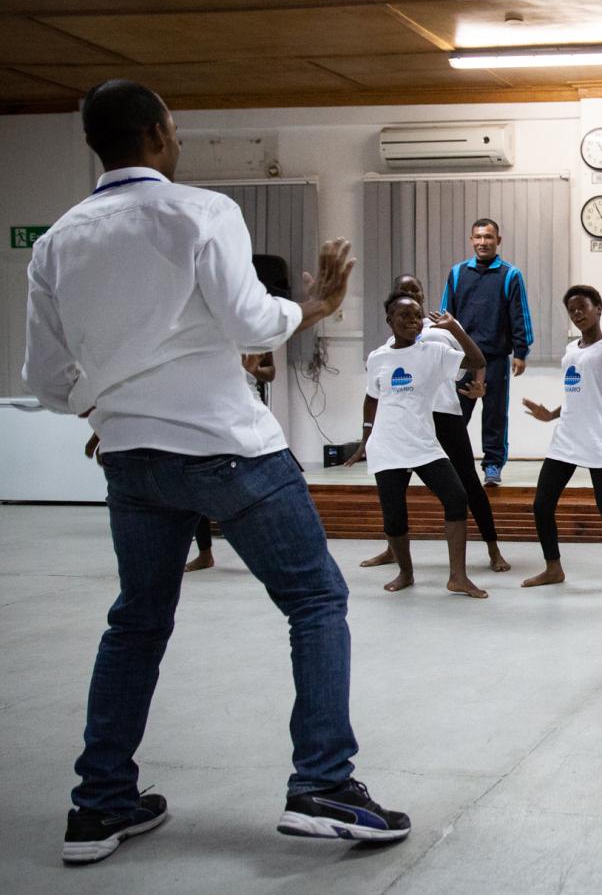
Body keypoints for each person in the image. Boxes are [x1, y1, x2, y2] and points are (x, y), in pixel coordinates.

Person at [24, 80, 407, 864]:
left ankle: (100, 803)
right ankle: (323, 785)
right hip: (227, 449)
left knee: (137, 621)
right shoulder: (201, 211)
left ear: (95, 143)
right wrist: (314, 308)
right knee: (315, 599)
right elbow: (250, 321)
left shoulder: (56, 241)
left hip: (131, 460)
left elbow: (47, 379)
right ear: (159, 132)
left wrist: (109, 410)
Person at [351, 274, 508, 575]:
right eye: (403, 290)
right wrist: (367, 432)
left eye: (415, 290)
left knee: (467, 482)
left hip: (445, 413)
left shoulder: (441, 328)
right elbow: (376, 392)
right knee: (394, 490)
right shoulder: (389, 344)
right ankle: (393, 549)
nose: (410, 294)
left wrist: (479, 385)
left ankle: (493, 548)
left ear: (423, 296)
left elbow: (476, 359)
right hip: (407, 423)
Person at [521, 286, 602, 592]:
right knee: (542, 505)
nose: (577, 313)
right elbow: (576, 395)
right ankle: (553, 568)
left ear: (599, 309)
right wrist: (550, 415)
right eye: (572, 310)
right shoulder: (571, 350)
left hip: (596, 439)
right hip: (565, 439)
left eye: (583, 307)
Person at [439, 218, 532, 486]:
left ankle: (492, 466)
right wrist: (442, 350)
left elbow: (520, 314)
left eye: (488, 237)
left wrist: (521, 351)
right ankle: (450, 464)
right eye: (478, 237)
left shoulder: (510, 274)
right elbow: (446, 315)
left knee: (494, 415)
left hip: (495, 359)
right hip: (461, 360)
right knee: (455, 414)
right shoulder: (457, 273)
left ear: (498, 241)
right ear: (471, 240)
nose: (483, 242)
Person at [185, 350, 273, 572]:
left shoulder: (254, 336)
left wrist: (253, 370)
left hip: (247, 416)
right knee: (197, 486)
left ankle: (265, 552)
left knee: (253, 487)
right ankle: (205, 553)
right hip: (207, 415)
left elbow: (271, 372)